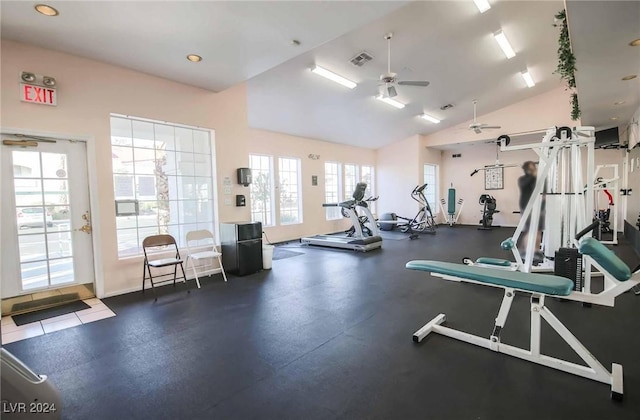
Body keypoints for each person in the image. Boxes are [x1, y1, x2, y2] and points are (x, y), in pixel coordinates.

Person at [518, 161, 544, 260]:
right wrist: (534, 175)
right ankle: (526, 251)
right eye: (532, 167)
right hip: (526, 206)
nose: (534, 169)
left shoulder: (536, 179)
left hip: (538, 206)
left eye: (534, 167)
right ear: (527, 169)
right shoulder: (522, 180)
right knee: (530, 230)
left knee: (538, 230)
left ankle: (536, 251)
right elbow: (526, 185)